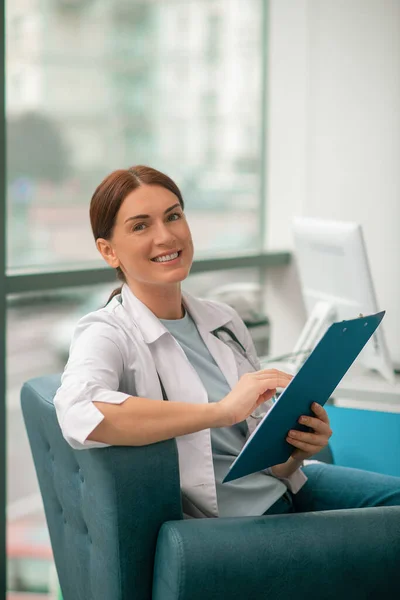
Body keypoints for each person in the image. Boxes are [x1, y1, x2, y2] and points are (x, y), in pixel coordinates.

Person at [54, 165, 400, 519]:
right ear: (108, 251)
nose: (166, 236)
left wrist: (294, 451)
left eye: (173, 216)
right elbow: (77, 410)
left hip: (285, 484)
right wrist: (221, 412)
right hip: (235, 522)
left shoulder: (224, 320)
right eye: (141, 226)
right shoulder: (106, 332)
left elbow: (264, 459)